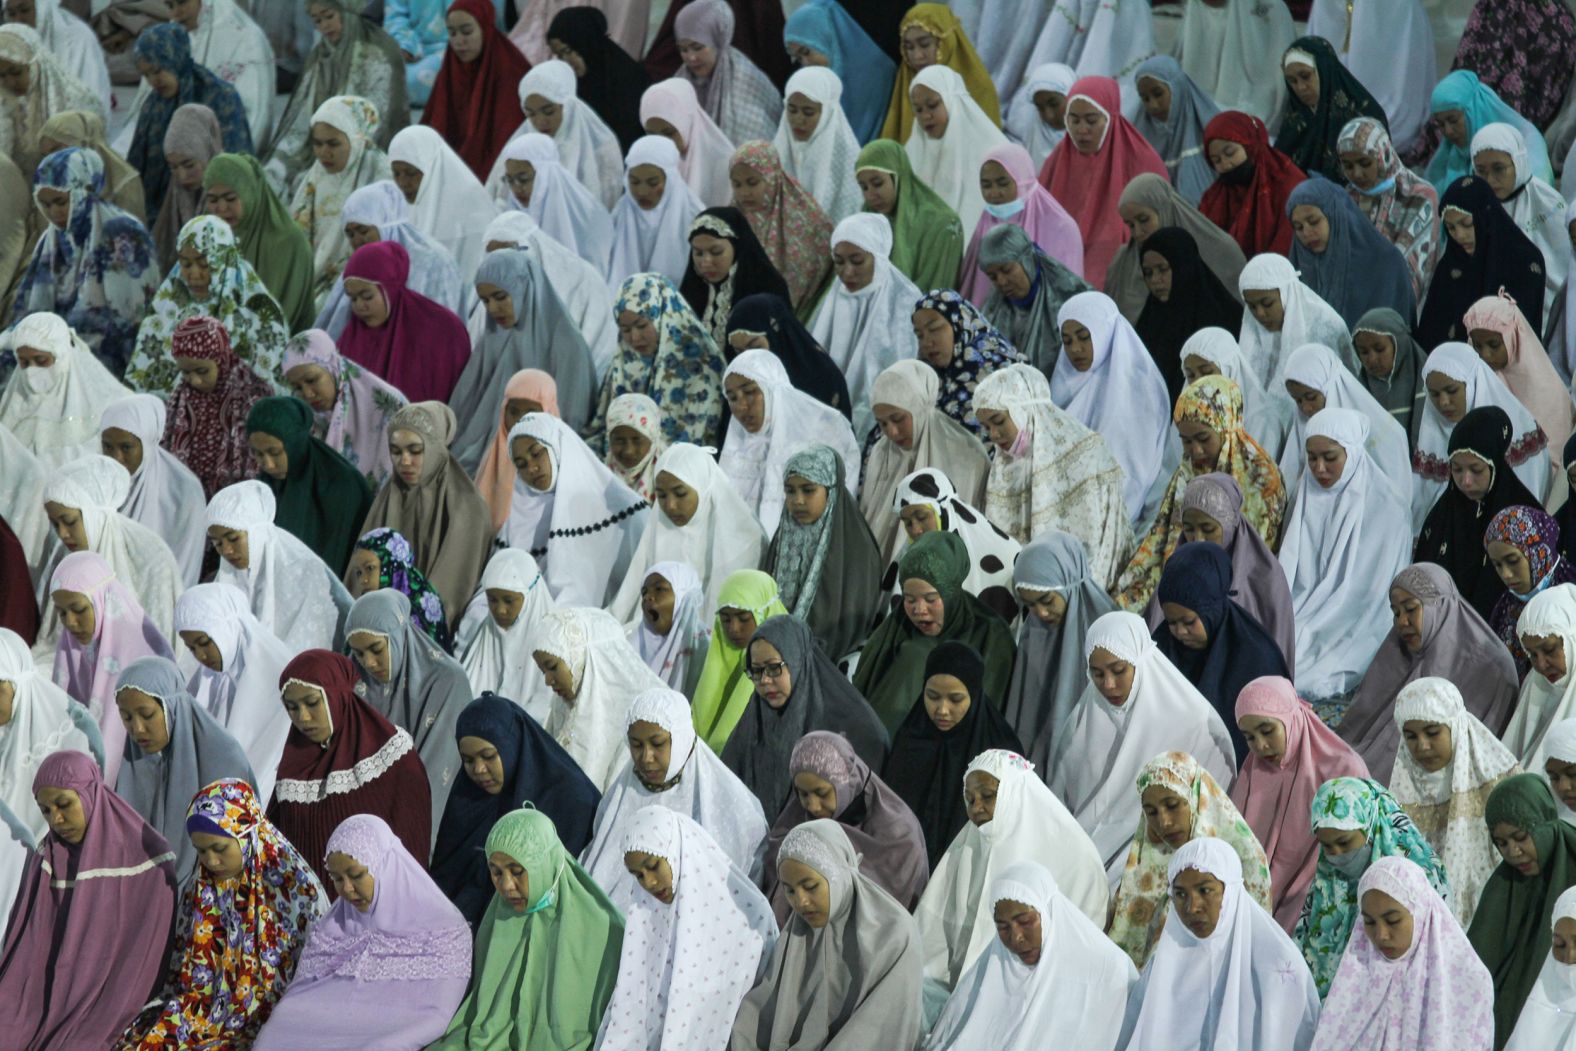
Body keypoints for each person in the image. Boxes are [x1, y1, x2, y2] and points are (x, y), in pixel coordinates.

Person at [121, 778, 326, 1048]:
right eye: (201, 851)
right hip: (204, 1010)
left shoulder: (296, 888)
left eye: (220, 849)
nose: (211, 861)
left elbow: (316, 972)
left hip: (273, 1015)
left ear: (249, 836)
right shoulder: (201, 887)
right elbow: (188, 967)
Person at [0, 750, 177, 1050]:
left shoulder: (148, 858)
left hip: (113, 1004)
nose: (56, 818)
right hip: (42, 998)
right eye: (45, 810)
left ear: (90, 791)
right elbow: (31, 945)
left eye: (64, 804)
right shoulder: (50, 855)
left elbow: (143, 961)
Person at [1043, 611, 1236, 884]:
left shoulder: (1195, 724)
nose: (1108, 685)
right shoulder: (1083, 722)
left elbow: (1211, 814)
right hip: (1082, 853)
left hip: (1162, 855)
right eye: (1096, 674)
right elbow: (1060, 805)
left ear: (1141, 661)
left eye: (1119, 670)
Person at [251, 814, 469, 1050]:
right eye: (336, 879)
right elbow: (300, 996)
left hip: (387, 1034)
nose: (346, 889)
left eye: (356, 876)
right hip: (320, 1028)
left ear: (384, 866)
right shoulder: (332, 925)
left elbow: (437, 1014)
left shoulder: (443, 925)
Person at [429, 807, 625, 1050]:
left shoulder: (604, 930)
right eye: (496, 872)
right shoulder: (497, 916)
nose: (507, 885)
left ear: (546, 863)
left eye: (518, 871)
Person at [915, 748, 1108, 990]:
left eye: (987, 796)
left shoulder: (1075, 856)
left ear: (1015, 793)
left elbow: (1081, 947)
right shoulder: (968, 847)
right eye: (970, 799)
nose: (976, 809)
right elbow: (933, 942)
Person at [730, 819, 924, 1049]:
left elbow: (877, 1034)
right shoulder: (800, 932)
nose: (800, 902)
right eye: (790, 890)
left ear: (838, 874)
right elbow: (762, 1012)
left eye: (811, 886)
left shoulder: (895, 935)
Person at [595, 807, 776, 1049]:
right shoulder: (647, 916)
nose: (649, 883)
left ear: (678, 852)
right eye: (638, 875)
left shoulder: (749, 917)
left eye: (654, 866)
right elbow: (632, 1006)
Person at [1115, 837, 1319, 1051]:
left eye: (1205, 891)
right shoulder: (1165, 965)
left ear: (1230, 891)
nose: (1192, 907)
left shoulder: (1277, 965)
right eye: (1180, 894)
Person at [926, 860, 1138, 1051]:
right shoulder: (993, 970)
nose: (1016, 937)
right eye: (1003, 927)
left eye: (1026, 921)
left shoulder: (1106, 972)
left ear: (1047, 912)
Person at [267, 649, 431, 892]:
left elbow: (412, 851)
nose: (303, 717)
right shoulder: (295, 766)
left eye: (312, 703)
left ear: (338, 696)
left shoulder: (392, 760)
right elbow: (276, 848)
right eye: (292, 707)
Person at [1340, 563, 1519, 785]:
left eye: (1411, 609)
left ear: (1440, 606)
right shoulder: (1399, 651)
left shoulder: (1490, 666)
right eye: (1396, 612)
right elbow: (1359, 723)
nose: (1401, 622)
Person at [431, 692, 599, 927]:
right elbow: (446, 879)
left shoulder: (568, 800)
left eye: (488, 756)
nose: (478, 769)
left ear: (512, 744)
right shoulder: (468, 799)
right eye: (468, 760)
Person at [1279, 408, 1412, 703]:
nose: (1319, 468)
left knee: (1319, 668)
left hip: (1360, 610)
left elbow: (1376, 589)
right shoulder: (1307, 490)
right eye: (1312, 458)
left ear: (1351, 452)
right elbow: (1290, 567)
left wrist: (1330, 610)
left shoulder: (1388, 504)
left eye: (1330, 457)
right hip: (1303, 605)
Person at [580, 687, 768, 887]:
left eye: (658, 743)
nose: (646, 757)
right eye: (636, 745)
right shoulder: (622, 794)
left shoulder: (733, 807)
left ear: (681, 740)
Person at [1311, 855, 1494, 1050]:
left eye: (1393, 921)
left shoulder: (1466, 981)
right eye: (1369, 922)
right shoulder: (1356, 975)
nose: (1380, 935)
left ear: (1421, 911)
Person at [971, 363, 1130, 586]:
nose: (994, 435)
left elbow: (1101, 545)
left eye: (998, 422)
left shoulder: (1085, 453)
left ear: (1025, 411)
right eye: (986, 427)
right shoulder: (1003, 465)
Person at [1231, 675, 1369, 932]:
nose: (1260, 745)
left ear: (1292, 718)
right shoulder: (1254, 769)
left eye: (1268, 730)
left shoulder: (1344, 769)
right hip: (1254, 899)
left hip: (1321, 901)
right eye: (1249, 737)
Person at [11, 148, 159, 375]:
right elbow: (30, 308)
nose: (53, 212)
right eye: (45, 204)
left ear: (84, 191)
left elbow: (130, 318)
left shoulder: (121, 232)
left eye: (60, 201)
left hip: (108, 349)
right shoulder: (52, 239)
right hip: (57, 344)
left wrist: (64, 345)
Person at [1389, 677, 1521, 931]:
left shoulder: (1499, 781)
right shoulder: (1401, 793)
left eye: (1432, 732)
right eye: (1411, 737)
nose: (1422, 746)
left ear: (1456, 726)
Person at [1296, 776, 1449, 996]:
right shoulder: (1329, 882)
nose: (1336, 855)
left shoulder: (1419, 878)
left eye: (1344, 842)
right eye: (1327, 846)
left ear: (1371, 827)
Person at [853, 531, 1016, 734]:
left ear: (951, 594)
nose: (919, 610)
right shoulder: (897, 628)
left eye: (930, 599)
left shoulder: (990, 636)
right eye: (910, 599)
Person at [112, 654, 255, 885]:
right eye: (126, 717)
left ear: (172, 706)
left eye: (147, 715)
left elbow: (239, 853)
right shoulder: (135, 764)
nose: (137, 728)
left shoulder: (223, 759)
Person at [345, 589, 472, 838]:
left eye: (376, 649)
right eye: (359, 653)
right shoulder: (354, 679)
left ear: (399, 635)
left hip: (411, 824)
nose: (369, 662)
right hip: (353, 821)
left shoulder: (446, 681)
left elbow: (433, 777)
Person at [761, 730, 926, 923]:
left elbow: (889, 911)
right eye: (803, 794)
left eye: (822, 793)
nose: (813, 806)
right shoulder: (795, 819)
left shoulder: (898, 835)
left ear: (846, 784)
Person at [880, 640, 1019, 867]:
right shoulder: (910, 740)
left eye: (955, 699)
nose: (942, 710)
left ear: (974, 695)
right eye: (932, 696)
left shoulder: (1000, 751)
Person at [453, 250, 595, 465]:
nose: (492, 308)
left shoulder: (566, 342)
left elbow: (570, 418)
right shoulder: (496, 336)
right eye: (485, 300)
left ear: (525, 289)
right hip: (485, 456)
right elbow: (467, 401)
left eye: (501, 297)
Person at [1150, 543, 1290, 760]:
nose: (1179, 631)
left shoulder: (1255, 657)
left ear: (1212, 611)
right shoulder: (1161, 647)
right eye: (1171, 622)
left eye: (1188, 622)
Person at [126, 215, 288, 401]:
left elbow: (270, 382)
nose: (193, 273)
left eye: (204, 264)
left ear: (224, 261)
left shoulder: (257, 311)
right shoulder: (168, 304)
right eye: (185, 264)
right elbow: (143, 370)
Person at [362, 401, 494, 627]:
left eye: (415, 450)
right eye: (396, 451)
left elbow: (448, 595)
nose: (404, 461)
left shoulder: (467, 507)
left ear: (435, 448)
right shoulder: (388, 497)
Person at [1468, 774, 1576, 1046]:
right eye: (1501, 843)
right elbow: (1475, 967)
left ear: (1543, 825)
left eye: (1520, 837)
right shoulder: (1503, 886)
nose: (1513, 852)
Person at [496, 414, 647, 607]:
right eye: (521, 464)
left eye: (536, 453)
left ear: (558, 447)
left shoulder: (623, 511)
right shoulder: (520, 515)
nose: (532, 468)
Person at [1051, 290, 1174, 526]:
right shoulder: (1063, 385)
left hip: (1116, 517)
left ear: (1104, 331)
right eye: (1067, 341)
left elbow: (1135, 471)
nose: (1075, 348)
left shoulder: (1139, 387)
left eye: (1084, 337)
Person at [607, 442, 765, 623]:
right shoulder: (660, 526)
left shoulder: (743, 537)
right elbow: (630, 594)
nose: (670, 506)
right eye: (662, 495)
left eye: (680, 494)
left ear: (704, 488)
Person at [261, 0, 409, 189]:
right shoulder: (320, 56)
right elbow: (302, 113)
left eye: (329, 16)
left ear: (347, 11)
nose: (324, 26)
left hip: (363, 144)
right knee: (274, 171)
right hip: (320, 140)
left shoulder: (378, 52)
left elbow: (380, 118)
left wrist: (340, 142)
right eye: (317, 21)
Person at [1417, 406, 1545, 622]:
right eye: (1456, 470)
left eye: (1476, 470)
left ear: (1494, 465)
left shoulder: (1524, 516)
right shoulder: (1442, 517)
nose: (1465, 481)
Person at [859, 358, 989, 570]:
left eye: (898, 418)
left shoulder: (966, 454)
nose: (891, 432)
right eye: (883, 423)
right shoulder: (882, 453)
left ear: (919, 407)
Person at [1038, 76, 1166, 289]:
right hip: (1060, 272)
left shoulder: (1142, 159)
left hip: (1128, 274)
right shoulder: (1057, 162)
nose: (1081, 130)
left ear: (1110, 118)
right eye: (1074, 119)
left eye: (1091, 120)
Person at [173, 582, 294, 806]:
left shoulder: (277, 674)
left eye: (204, 643)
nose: (200, 655)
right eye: (192, 648)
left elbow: (267, 760)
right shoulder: (210, 676)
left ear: (226, 628)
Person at [760, 448, 883, 662]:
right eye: (790, 491)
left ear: (831, 491)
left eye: (808, 490)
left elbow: (854, 620)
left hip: (831, 663)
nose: (797, 500)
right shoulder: (781, 540)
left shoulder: (855, 547)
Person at [1413, 342, 1550, 533]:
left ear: (1473, 383)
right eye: (1434, 394)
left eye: (1452, 391)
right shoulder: (1432, 440)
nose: (1443, 402)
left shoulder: (1517, 435)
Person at [717, 349, 860, 532]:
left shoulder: (824, 430)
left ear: (773, 389)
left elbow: (839, 506)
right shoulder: (740, 446)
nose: (741, 406)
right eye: (732, 397)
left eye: (750, 391)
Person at [528, 606, 669, 790]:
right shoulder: (564, 705)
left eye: (553, 667)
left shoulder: (646, 714)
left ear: (583, 657)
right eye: (542, 671)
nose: (547, 680)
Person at [41, 452, 182, 635]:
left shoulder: (150, 555)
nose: (62, 533)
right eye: (55, 524)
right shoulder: (64, 555)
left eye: (69, 521)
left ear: (95, 515)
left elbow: (160, 639)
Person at [206, 481, 353, 654]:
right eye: (218, 544)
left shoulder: (304, 571)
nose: (226, 551)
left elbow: (310, 646)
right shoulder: (231, 576)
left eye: (233, 538)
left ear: (257, 532)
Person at [1002, 530, 1116, 750]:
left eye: (1047, 600)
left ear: (1069, 583)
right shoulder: (1034, 632)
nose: (1041, 613)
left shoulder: (1108, 630)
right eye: (1030, 605)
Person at [317, 179, 468, 339]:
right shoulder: (361, 265)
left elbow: (442, 332)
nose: (357, 241)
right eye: (350, 234)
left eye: (363, 230)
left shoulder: (432, 263)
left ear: (385, 224)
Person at [286, 96, 395, 305]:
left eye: (333, 144)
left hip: (364, 285)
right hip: (312, 280)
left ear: (356, 140)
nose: (323, 153)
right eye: (317, 144)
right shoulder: (315, 176)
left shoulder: (380, 177)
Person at [1417, 176, 1547, 351]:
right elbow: (1429, 335)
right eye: (1451, 227)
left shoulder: (1523, 262)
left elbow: (1518, 342)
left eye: (1467, 224)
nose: (1459, 235)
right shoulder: (1450, 266)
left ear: (1485, 216)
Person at [245, 396, 371, 575]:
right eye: (258, 454)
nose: (268, 464)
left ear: (294, 444)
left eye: (275, 452)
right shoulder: (263, 486)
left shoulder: (342, 486)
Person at [1464, 291, 1575, 490]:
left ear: (1514, 337)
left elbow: (1553, 461)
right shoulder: (1475, 380)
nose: (1485, 355)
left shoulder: (1547, 391)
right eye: (1477, 346)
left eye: (1493, 345)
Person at [1107, 171, 1247, 327]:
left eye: (1144, 220)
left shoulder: (1220, 250)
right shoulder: (1123, 263)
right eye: (1130, 225)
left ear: (1164, 209)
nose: (1137, 233)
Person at [883, 467, 1020, 623]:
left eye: (921, 517)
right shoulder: (909, 559)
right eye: (907, 523)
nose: (916, 530)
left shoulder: (1002, 552)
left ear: (944, 511)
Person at [1278, 341, 1413, 498]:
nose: (1305, 408)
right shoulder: (1301, 424)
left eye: (1311, 397)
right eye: (1298, 400)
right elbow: (1289, 482)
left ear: (1330, 386)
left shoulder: (1385, 434)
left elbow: (1393, 497)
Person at [0, 311, 131, 469]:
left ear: (62, 355)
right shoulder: (18, 400)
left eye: (41, 360)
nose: (31, 371)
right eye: (24, 363)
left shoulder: (111, 404)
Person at [97, 395, 204, 585]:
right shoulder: (96, 482)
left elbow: (183, 569)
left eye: (126, 447)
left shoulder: (184, 492)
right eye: (107, 446)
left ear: (147, 442)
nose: (116, 458)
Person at [491, 59, 624, 212]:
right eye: (531, 114)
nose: (540, 121)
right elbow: (499, 200)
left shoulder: (601, 146)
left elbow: (604, 209)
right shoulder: (520, 146)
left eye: (548, 111)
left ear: (567, 105)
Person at [280, 329, 406, 489]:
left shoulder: (389, 406)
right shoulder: (304, 418)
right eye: (297, 387)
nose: (307, 394)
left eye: (312, 380)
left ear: (333, 367)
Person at [1286, 176, 1416, 329]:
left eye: (1314, 222)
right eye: (1298, 227)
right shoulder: (1298, 268)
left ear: (1336, 214)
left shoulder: (1385, 264)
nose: (1306, 233)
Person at [419, 0, 528, 180]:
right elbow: (434, 126)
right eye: (452, 33)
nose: (459, 41)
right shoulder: (450, 68)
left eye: (467, 31)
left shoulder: (510, 70)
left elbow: (509, 138)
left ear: (485, 28)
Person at [1132, 229, 1244, 403]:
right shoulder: (1149, 322)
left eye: (1162, 270)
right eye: (1148, 273)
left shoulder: (1223, 317)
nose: (1155, 280)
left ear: (1182, 266)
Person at [1338, 117, 1439, 300]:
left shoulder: (1417, 196)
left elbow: (1410, 267)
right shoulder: (1346, 199)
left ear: (1383, 154)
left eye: (1365, 163)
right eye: (1348, 166)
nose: (1357, 174)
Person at [689, 570, 788, 753]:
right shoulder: (716, 658)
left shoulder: (784, 667)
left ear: (765, 613)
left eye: (743, 618)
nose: (733, 629)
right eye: (725, 620)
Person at [903, 65, 1006, 237]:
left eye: (932, 105)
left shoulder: (991, 149)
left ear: (951, 99)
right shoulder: (914, 151)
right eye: (918, 110)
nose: (925, 116)